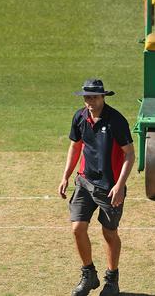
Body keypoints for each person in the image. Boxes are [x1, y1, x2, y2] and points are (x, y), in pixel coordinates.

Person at [59, 79, 135, 296]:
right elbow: (75, 147)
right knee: (77, 228)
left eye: (93, 97)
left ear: (103, 97)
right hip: (84, 182)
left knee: (109, 233)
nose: (89, 101)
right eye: (86, 97)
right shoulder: (80, 117)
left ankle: (112, 280)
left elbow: (129, 154)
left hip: (109, 187)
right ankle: (89, 274)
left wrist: (120, 186)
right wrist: (65, 176)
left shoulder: (116, 121)